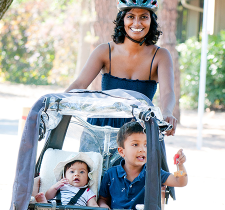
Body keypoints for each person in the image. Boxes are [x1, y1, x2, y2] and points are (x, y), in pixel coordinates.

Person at [65, 0, 177, 135]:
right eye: (130, 16)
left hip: (139, 131)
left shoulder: (160, 55)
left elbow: (167, 92)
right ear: (122, 19)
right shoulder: (104, 51)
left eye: (144, 17)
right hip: (101, 129)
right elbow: (80, 84)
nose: (137, 23)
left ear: (151, 21)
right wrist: (56, 104)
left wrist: (167, 112)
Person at [97, 121, 188, 209]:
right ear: (121, 151)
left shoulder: (153, 172)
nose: (142, 149)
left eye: (146, 144)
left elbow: (179, 181)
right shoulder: (110, 174)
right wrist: (104, 206)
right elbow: (103, 199)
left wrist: (180, 166)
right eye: (135, 144)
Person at [35, 153, 99, 207]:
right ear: (64, 176)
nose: (76, 174)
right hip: (55, 207)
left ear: (88, 178)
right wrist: (54, 188)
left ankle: (43, 205)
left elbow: (93, 205)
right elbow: (48, 197)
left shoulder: (87, 192)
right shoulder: (61, 186)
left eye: (82, 172)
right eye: (72, 172)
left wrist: (95, 206)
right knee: (49, 204)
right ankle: (43, 204)